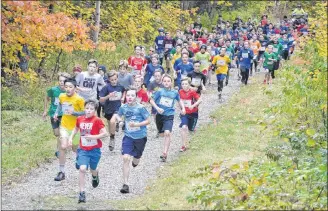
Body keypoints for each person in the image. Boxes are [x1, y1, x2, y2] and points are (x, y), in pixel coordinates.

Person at [69, 99, 108, 203]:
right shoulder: (80, 119)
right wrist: (70, 138)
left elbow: (105, 134)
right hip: (83, 150)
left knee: (93, 169)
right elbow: (76, 129)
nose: (89, 111)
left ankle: (95, 176)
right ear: (84, 109)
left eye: (91, 109)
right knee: (82, 169)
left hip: (95, 150)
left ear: (95, 110)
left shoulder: (97, 120)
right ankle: (82, 193)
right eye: (87, 108)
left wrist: (93, 137)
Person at [116, 88, 151, 194]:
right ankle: (125, 184)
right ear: (125, 97)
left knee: (136, 159)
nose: (130, 97)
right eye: (128, 95)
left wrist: (137, 125)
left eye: (132, 95)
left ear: (136, 97)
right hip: (128, 136)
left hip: (140, 137)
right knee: (126, 158)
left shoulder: (140, 108)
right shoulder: (123, 107)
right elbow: (118, 115)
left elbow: (148, 121)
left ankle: (137, 158)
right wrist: (120, 120)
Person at [53, 78, 85, 181]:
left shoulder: (79, 99)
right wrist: (57, 113)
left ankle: (79, 159)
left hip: (76, 128)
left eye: (70, 87)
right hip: (64, 125)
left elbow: (85, 112)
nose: (68, 89)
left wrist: (75, 113)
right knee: (63, 146)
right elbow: (60, 106)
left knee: (75, 148)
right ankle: (61, 172)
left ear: (75, 88)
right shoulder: (61, 96)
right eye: (66, 86)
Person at [149, 74, 185, 162]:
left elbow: (179, 100)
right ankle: (163, 135)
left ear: (171, 82)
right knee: (162, 134)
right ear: (162, 82)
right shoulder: (159, 91)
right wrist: (157, 108)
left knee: (167, 133)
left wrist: (183, 108)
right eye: (164, 81)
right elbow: (151, 100)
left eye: (168, 81)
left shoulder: (175, 92)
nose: (166, 83)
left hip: (169, 115)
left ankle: (164, 153)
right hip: (160, 116)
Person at [43, 72, 71, 158]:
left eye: (63, 81)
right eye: (60, 80)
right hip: (53, 113)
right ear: (58, 81)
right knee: (57, 133)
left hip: (64, 114)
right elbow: (47, 98)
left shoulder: (69, 91)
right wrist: (45, 110)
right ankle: (63, 144)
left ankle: (59, 150)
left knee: (62, 133)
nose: (61, 82)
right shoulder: (53, 90)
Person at [99, 71, 126, 151]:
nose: (114, 81)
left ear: (117, 78)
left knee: (112, 121)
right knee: (111, 125)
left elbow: (124, 91)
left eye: (115, 79)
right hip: (108, 110)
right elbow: (101, 100)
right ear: (109, 80)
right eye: (112, 80)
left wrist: (123, 98)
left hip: (117, 108)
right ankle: (112, 137)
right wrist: (108, 96)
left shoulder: (120, 86)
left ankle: (119, 123)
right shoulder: (106, 87)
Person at [178, 78, 202, 152]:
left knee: (191, 129)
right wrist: (181, 109)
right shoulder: (180, 92)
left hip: (193, 113)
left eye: (186, 84)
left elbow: (200, 100)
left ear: (189, 84)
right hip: (184, 113)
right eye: (183, 84)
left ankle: (190, 133)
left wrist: (193, 105)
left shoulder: (192, 92)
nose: (184, 85)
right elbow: (178, 101)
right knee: (184, 127)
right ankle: (184, 145)